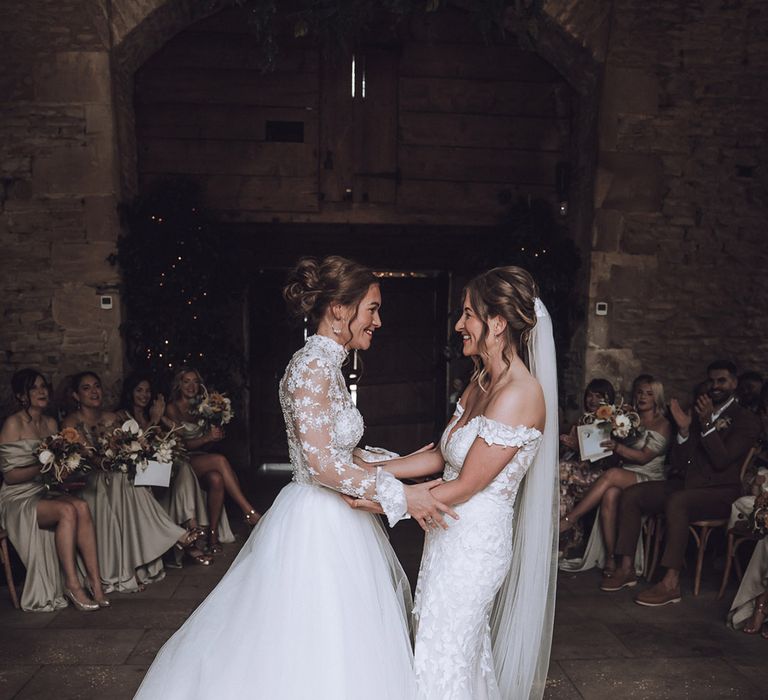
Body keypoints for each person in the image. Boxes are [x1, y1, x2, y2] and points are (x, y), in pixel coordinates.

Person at [133, 255, 455, 700]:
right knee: (312, 637)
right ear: (340, 309)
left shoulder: (328, 365)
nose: (378, 320)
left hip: (338, 514)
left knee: (344, 634)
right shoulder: (311, 368)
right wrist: (402, 495)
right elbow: (322, 466)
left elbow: (342, 452)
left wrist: (408, 462)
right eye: (373, 308)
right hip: (318, 521)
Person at [352, 266, 558, 700]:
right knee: (442, 641)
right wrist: (371, 471)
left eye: (468, 314)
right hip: (447, 531)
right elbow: (439, 454)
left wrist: (381, 500)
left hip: (475, 544)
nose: (460, 325)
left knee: (445, 648)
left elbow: (466, 485)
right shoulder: (481, 381)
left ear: (497, 323)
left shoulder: (521, 394)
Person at [603, 360, 761, 605]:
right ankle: (626, 568)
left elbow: (722, 461)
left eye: (722, 381)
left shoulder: (745, 419)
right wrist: (685, 431)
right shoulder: (699, 412)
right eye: (712, 380)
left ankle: (670, 583)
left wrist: (707, 423)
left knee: (678, 502)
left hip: (720, 492)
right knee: (633, 494)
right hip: (687, 485)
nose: (715, 386)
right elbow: (679, 460)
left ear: (734, 383)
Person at [63, 371, 198, 592]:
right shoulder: (72, 422)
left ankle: (141, 557)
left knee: (127, 478)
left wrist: (129, 450)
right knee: (122, 478)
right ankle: (176, 534)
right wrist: (114, 457)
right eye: (86, 388)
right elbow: (89, 458)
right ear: (76, 396)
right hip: (87, 481)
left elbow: (133, 443)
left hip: (115, 475)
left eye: (96, 386)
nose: (94, 391)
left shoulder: (111, 418)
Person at [0, 369, 108, 611]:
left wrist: (69, 463)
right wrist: (43, 466)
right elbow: (10, 475)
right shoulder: (13, 424)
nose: (42, 391)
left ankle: (96, 584)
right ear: (21, 396)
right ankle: (72, 585)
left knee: (80, 505)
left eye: (43, 386)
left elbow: (55, 472)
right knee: (67, 511)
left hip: (42, 490)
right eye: (34, 388)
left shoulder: (50, 423)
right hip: (17, 498)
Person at [560, 376, 671, 576]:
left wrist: (617, 446)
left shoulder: (662, 424)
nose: (643, 396)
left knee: (611, 476)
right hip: (625, 474)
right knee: (610, 494)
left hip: (649, 478)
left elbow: (644, 458)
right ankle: (611, 558)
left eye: (649, 393)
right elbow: (601, 450)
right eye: (639, 392)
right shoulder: (628, 418)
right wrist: (586, 444)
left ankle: (570, 518)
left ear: (657, 397)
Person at [117, 373, 212, 566]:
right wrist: (154, 420)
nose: (144, 395)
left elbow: (177, 440)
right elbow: (135, 446)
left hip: (156, 475)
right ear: (130, 393)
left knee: (184, 467)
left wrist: (162, 421)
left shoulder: (153, 414)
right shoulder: (121, 416)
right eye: (139, 390)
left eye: (147, 391)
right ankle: (190, 543)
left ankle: (191, 525)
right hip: (135, 477)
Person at [165, 367, 255, 552]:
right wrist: (207, 438)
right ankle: (248, 511)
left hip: (201, 458)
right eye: (186, 381)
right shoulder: (172, 408)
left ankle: (212, 536)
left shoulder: (204, 406)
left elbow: (206, 446)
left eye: (195, 382)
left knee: (216, 478)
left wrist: (214, 435)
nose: (191, 386)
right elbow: (182, 444)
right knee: (220, 461)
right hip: (181, 460)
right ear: (179, 385)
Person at [558, 378, 616, 557]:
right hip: (574, 472)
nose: (592, 400)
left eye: (598, 396)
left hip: (598, 475)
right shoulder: (582, 419)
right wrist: (567, 444)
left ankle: (566, 535)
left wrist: (578, 447)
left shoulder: (611, 421)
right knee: (561, 490)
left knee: (559, 471)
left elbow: (600, 458)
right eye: (589, 395)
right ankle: (566, 540)